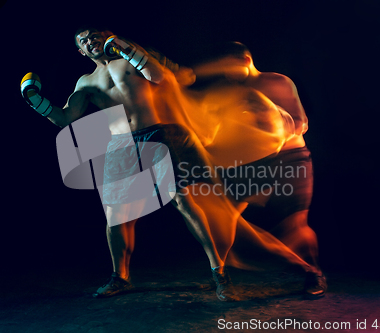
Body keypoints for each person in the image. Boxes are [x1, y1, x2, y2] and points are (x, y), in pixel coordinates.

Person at [20, 26, 237, 301]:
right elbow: (65, 119)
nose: (91, 42)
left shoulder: (131, 61)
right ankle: (120, 278)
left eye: (94, 36)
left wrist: (128, 50)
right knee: (115, 215)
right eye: (84, 41)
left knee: (183, 201)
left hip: (156, 134)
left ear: (105, 36)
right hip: (121, 145)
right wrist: (36, 102)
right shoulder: (86, 83)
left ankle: (220, 273)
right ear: (81, 51)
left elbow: (159, 77)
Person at [191, 42, 327, 299]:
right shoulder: (229, 92)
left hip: (289, 158)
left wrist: (269, 121)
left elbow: (301, 123)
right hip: (251, 164)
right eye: (222, 69)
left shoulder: (276, 82)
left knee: (295, 225)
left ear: (245, 59)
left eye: (229, 67)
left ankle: (314, 273)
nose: (226, 73)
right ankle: (220, 274)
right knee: (220, 219)